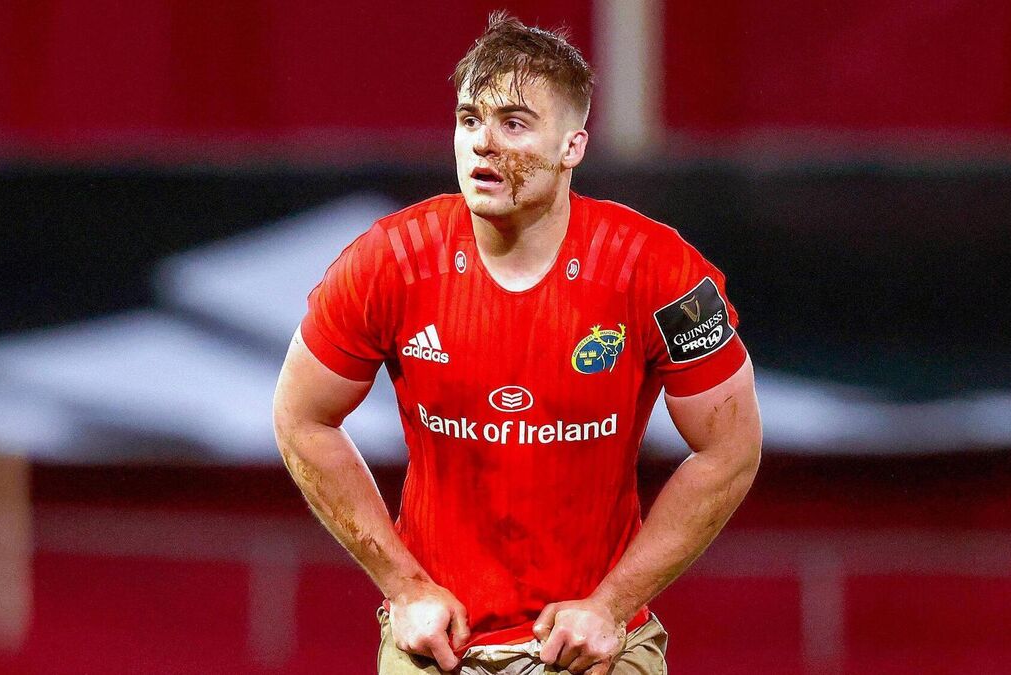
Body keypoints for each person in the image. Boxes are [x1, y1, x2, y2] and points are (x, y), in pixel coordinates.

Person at [272, 12, 762, 675]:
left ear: (572, 147)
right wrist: (404, 587)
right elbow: (300, 417)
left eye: (514, 123)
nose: (483, 142)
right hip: (437, 646)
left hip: (598, 646)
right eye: (469, 119)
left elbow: (731, 448)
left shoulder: (662, 272)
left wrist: (612, 605)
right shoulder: (387, 260)